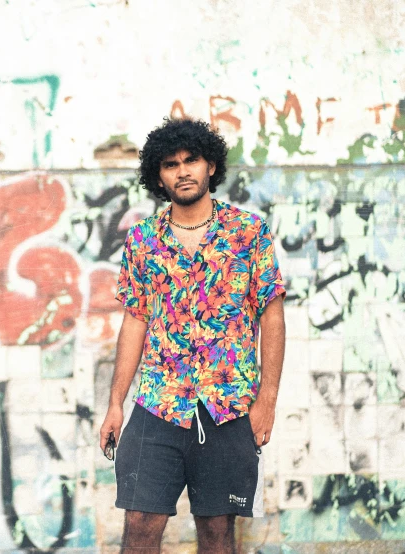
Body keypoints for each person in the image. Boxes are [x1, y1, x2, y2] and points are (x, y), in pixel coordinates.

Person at [99, 117, 286, 554]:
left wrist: (267, 401)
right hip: (158, 402)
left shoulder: (248, 233)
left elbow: (271, 318)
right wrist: (114, 404)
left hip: (229, 406)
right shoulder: (143, 241)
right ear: (158, 177)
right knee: (141, 525)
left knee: (218, 532)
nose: (182, 171)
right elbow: (135, 320)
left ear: (211, 167)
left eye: (191, 160)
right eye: (170, 164)